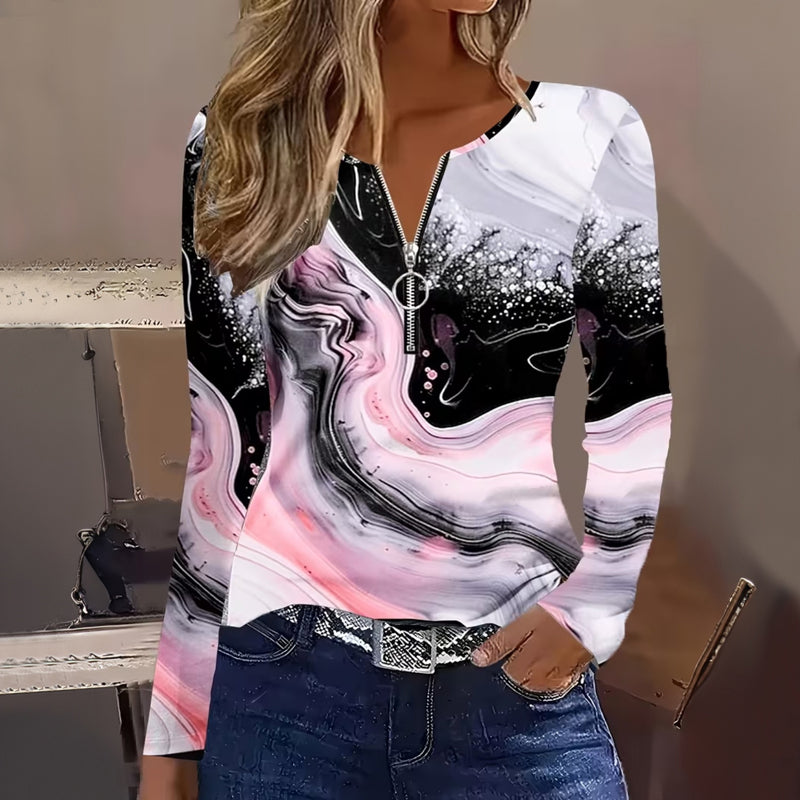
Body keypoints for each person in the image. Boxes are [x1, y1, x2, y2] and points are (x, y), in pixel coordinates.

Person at [138, 0, 673, 798]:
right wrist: (174, 737)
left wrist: (592, 608)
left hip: (510, 694)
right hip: (282, 686)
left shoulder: (588, 133)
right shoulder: (239, 141)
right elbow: (221, 451)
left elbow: (632, 407)